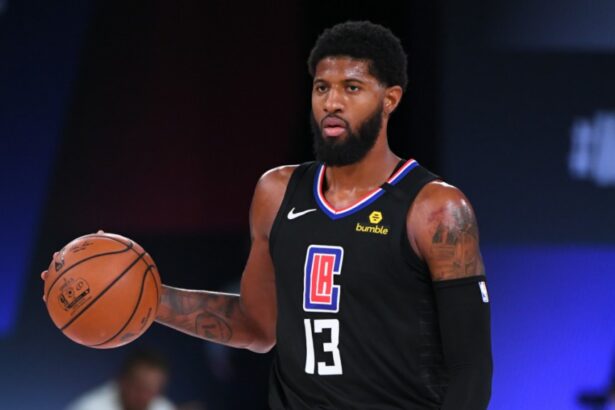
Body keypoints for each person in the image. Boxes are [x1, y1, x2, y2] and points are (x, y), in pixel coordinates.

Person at [45, 21, 492, 409]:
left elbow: (470, 370)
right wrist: (146, 297)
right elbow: (257, 328)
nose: (332, 102)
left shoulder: (436, 209)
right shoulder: (277, 192)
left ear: (390, 98)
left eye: (351, 88)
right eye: (322, 87)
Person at [65, 348, 175, 410]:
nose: (144, 397)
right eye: (140, 389)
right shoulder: (90, 407)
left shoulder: (164, 407)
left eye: (152, 391)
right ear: (123, 382)